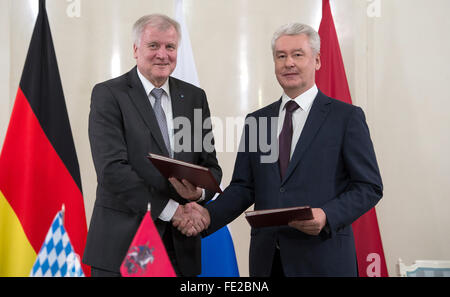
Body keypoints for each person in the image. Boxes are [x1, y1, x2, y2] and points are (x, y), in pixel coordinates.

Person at [176, 22, 383, 277]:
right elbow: (244, 187)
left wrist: (327, 215)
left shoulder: (346, 117)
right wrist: (208, 215)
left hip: (323, 260)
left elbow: (369, 186)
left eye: (298, 54)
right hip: (267, 261)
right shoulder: (258, 121)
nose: (288, 63)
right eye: (281, 56)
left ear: (317, 60)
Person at [83, 14, 222, 277]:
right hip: (123, 247)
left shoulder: (194, 97)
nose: (162, 54)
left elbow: (211, 167)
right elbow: (112, 170)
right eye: (153, 46)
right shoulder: (109, 94)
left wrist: (198, 195)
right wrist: (173, 212)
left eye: (170, 47)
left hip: (179, 249)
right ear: (136, 49)